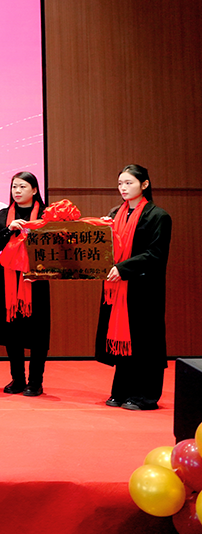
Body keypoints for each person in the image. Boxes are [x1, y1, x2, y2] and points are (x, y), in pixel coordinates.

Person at [96, 164, 172, 411]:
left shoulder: (158, 216)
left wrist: (123, 268)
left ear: (145, 184)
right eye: (120, 183)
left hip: (143, 288)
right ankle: (122, 390)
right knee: (124, 339)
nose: (123, 188)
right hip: (117, 289)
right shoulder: (115, 213)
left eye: (129, 183)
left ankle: (146, 396)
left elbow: (155, 254)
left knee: (145, 341)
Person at [0, 171, 49, 397]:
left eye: (22, 187)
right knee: (12, 330)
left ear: (34, 190)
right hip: (9, 278)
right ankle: (18, 379)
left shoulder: (47, 214)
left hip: (37, 279)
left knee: (37, 332)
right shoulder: (3, 215)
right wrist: (8, 229)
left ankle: (36, 381)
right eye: (14, 187)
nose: (17, 191)